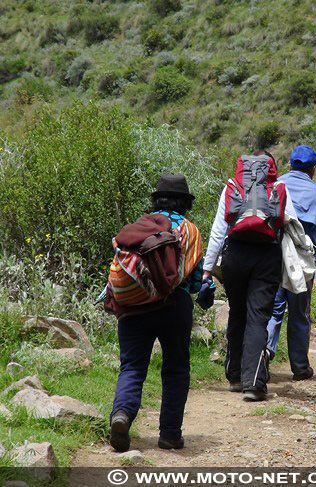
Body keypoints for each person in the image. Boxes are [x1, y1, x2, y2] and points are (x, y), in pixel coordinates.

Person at [109, 174, 204, 452]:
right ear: (184, 203)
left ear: (156, 201)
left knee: (132, 367)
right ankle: (170, 435)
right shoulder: (190, 230)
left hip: (133, 306)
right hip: (175, 306)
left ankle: (122, 415)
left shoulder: (139, 227)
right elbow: (196, 283)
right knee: (175, 368)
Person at [202, 151, 297, 402]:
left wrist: (207, 269)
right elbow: (292, 226)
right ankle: (253, 382)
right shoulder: (278, 188)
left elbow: (218, 231)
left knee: (237, 312)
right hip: (267, 256)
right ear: (272, 168)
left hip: (235, 254)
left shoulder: (232, 188)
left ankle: (234, 375)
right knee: (258, 317)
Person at [266, 145, 316, 381]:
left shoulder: (275, 185)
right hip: (302, 262)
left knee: (273, 308)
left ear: (290, 165)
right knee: (299, 313)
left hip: (273, 256)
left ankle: (265, 351)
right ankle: (300, 367)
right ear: (313, 168)